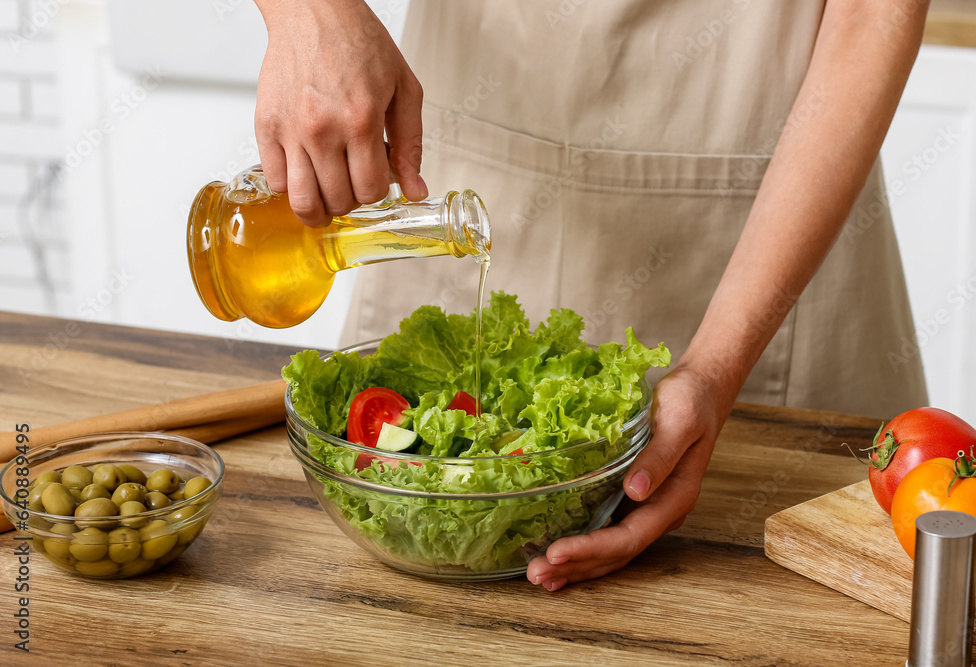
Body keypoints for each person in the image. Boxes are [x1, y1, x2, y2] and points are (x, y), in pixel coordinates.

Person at [250, 0, 930, 591]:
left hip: (775, 205)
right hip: (462, 174)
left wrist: (716, 368)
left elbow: (877, 10)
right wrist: (308, 12)